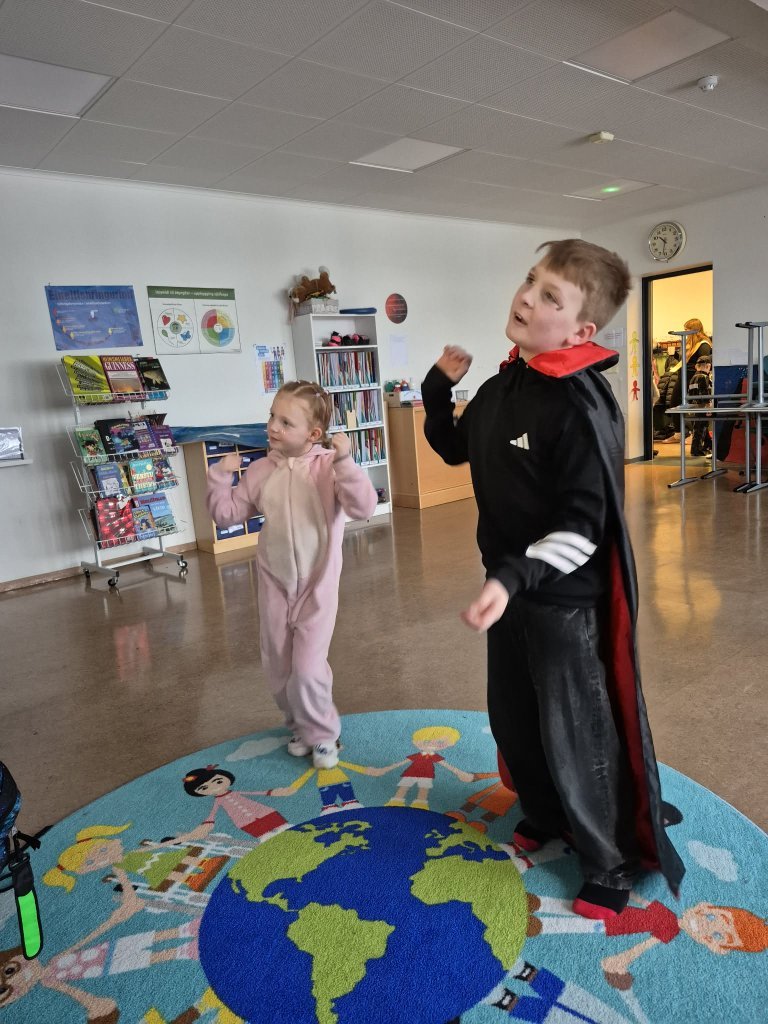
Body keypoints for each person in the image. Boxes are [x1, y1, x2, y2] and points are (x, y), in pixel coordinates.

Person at [421, 238, 684, 920]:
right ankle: (543, 812)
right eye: (531, 280)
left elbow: (584, 526)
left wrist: (514, 577)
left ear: (580, 330)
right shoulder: (502, 387)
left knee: (578, 734)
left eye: (549, 296)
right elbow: (455, 447)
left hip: (563, 602)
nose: (526, 297)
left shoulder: (579, 405)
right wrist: (436, 390)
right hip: (506, 591)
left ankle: (609, 859)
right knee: (513, 718)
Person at [206, 380, 377, 770]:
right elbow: (227, 514)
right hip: (275, 585)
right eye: (272, 416)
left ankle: (323, 733)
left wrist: (346, 463)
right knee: (278, 664)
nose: (273, 426)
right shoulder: (260, 470)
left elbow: (363, 507)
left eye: (286, 422)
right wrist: (219, 478)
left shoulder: (328, 467)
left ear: (313, 434)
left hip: (317, 587)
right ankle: (299, 725)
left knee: (309, 668)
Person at [687, 354, 713, 456]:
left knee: (699, 428)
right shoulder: (704, 377)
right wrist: (708, 406)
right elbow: (704, 393)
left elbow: (690, 393)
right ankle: (696, 449)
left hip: (693, 407)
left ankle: (708, 444)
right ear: (707, 366)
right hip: (701, 407)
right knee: (701, 428)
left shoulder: (693, 378)